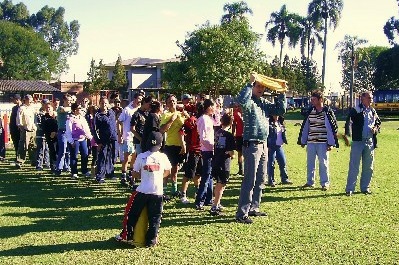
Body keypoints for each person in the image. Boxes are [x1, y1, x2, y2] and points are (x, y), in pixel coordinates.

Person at [235, 73, 286, 224]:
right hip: (251, 144)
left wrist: (281, 93)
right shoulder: (249, 101)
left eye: (262, 86)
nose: (260, 89)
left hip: (263, 144)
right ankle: (242, 213)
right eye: (258, 86)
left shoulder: (263, 102)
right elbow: (241, 101)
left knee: (261, 179)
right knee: (249, 180)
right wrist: (249, 83)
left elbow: (280, 110)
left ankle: (254, 208)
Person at [115, 131, 171, 248]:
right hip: (158, 192)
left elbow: (134, 173)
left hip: (142, 191)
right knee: (155, 218)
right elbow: (168, 172)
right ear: (161, 144)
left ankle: (127, 236)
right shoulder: (163, 157)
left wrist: (144, 175)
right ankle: (151, 241)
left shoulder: (141, 156)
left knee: (131, 214)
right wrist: (158, 176)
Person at [297, 90, 339, 191]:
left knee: (323, 163)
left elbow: (334, 128)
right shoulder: (310, 111)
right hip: (311, 142)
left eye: (314, 99)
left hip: (323, 142)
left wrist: (331, 143)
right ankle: (310, 182)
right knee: (310, 163)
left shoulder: (327, 112)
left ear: (320, 100)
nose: (312, 101)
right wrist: (303, 140)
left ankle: (325, 183)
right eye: (312, 99)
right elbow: (306, 126)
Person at [344, 91, 381, 196]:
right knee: (354, 166)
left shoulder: (373, 111)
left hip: (369, 142)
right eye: (369, 98)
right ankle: (350, 189)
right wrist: (349, 137)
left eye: (371, 98)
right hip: (357, 142)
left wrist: (375, 128)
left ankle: (365, 188)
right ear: (362, 99)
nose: (371, 100)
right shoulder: (356, 110)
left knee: (368, 166)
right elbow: (348, 123)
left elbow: (378, 123)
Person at [160, 94, 187, 197]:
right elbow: (162, 130)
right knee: (167, 170)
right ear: (166, 104)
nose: (172, 103)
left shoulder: (181, 114)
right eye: (170, 101)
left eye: (174, 101)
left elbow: (188, 125)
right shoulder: (165, 115)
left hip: (180, 146)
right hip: (170, 145)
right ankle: (163, 191)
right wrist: (172, 119)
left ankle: (174, 190)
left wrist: (186, 115)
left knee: (175, 170)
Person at [210, 113, 235, 216]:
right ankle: (214, 206)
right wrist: (232, 155)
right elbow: (230, 152)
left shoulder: (217, 132)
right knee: (221, 184)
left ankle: (217, 202)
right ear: (231, 122)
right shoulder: (229, 135)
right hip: (224, 163)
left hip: (216, 160)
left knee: (218, 183)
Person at [194, 99, 215, 210]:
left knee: (210, 175)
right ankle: (199, 200)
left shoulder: (208, 119)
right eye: (214, 106)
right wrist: (213, 147)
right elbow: (203, 138)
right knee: (206, 175)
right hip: (207, 150)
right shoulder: (203, 119)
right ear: (208, 107)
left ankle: (208, 198)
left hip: (209, 149)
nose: (215, 108)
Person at [118, 92, 142, 184]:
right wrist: (120, 135)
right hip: (128, 136)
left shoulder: (141, 110)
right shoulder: (127, 109)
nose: (140, 101)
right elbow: (119, 122)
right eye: (139, 99)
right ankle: (123, 175)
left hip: (137, 137)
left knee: (135, 158)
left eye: (141, 99)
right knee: (127, 157)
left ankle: (131, 174)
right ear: (135, 99)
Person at [180, 103, 202, 204]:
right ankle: (183, 194)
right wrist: (184, 145)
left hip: (203, 151)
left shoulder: (207, 119)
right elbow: (181, 131)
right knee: (189, 174)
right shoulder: (192, 120)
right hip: (193, 150)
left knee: (198, 174)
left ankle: (198, 192)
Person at [66, 103, 93, 178]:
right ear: (74, 110)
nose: (80, 110)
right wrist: (71, 141)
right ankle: (74, 172)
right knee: (74, 156)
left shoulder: (82, 118)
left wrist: (90, 138)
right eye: (79, 109)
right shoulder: (70, 119)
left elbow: (86, 129)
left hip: (83, 139)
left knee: (85, 154)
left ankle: (84, 170)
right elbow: (68, 131)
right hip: (75, 140)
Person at [94, 97, 118, 183]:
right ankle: (100, 176)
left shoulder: (111, 112)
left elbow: (114, 124)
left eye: (105, 103)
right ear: (99, 104)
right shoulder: (97, 115)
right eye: (102, 103)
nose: (104, 105)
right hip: (103, 139)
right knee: (102, 157)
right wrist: (98, 142)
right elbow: (94, 130)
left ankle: (110, 173)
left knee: (112, 156)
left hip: (113, 138)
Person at [267, 115, 292, 186]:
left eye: (277, 115)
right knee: (271, 164)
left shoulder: (280, 123)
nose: (276, 116)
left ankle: (284, 179)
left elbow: (282, 133)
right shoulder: (269, 124)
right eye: (275, 115)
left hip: (279, 146)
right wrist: (267, 145)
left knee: (282, 162)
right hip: (271, 146)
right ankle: (271, 180)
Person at [16, 94, 37, 168]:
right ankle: (20, 161)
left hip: (32, 129)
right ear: (26, 100)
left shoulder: (32, 108)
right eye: (29, 100)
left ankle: (33, 161)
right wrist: (20, 126)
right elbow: (19, 118)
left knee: (33, 146)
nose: (31, 101)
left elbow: (35, 117)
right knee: (23, 146)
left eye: (31, 100)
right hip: (25, 129)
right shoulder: (22, 108)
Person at [54, 94, 72, 175]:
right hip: (62, 132)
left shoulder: (71, 110)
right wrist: (74, 108)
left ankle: (67, 166)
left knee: (68, 151)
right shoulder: (60, 108)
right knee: (62, 150)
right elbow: (64, 110)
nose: (70, 102)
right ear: (64, 100)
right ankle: (58, 168)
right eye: (69, 100)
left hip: (70, 132)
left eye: (71, 100)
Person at [34, 98, 50, 170]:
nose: (47, 106)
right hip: (40, 134)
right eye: (46, 104)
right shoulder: (38, 113)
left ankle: (47, 163)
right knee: (40, 149)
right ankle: (39, 165)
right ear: (43, 104)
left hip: (47, 134)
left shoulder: (49, 113)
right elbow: (38, 124)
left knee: (47, 149)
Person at [42, 104, 58, 172]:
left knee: (59, 151)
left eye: (49, 108)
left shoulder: (57, 116)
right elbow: (44, 127)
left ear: (52, 108)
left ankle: (59, 165)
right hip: (50, 136)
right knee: (52, 150)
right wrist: (51, 134)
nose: (48, 109)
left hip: (58, 135)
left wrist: (56, 132)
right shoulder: (44, 117)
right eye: (47, 108)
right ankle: (53, 166)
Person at [232, 103, 244, 175]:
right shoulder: (236, 112)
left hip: (247, 135)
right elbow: (234, 124)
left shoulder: (248, 111)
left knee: (246, 153)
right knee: (240, 152)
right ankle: (241, 169)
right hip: (239, 135)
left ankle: (244, 169)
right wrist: (233, 133)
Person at [10, 94, 22, 161]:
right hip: (13, 128)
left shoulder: (23, 107)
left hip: (20, 128)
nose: (12, 101)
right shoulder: (14, 108)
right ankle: (17, 156)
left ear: (17, 99)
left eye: (13, 99)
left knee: (21, 144)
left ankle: (20, 157)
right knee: (16, 143)